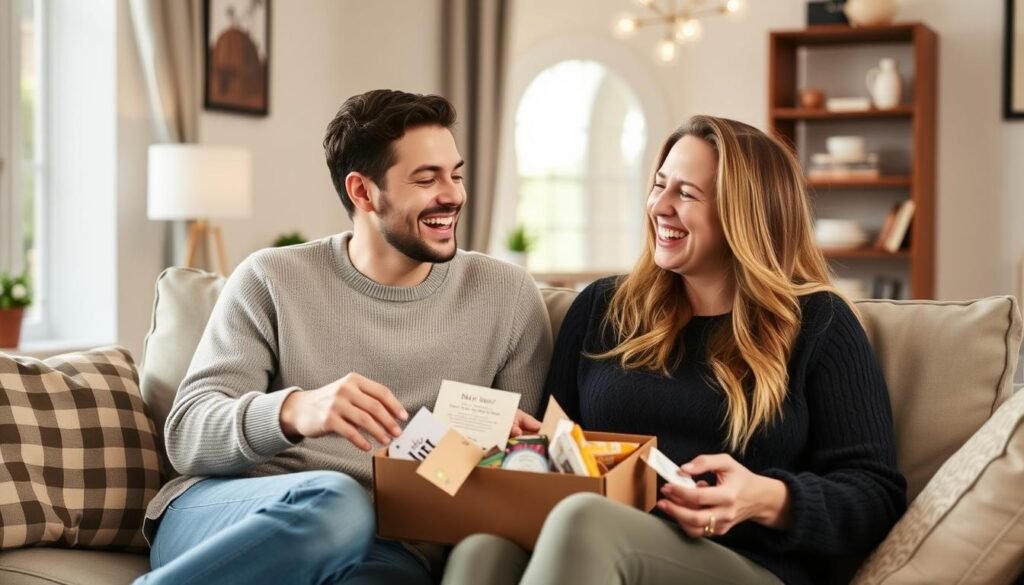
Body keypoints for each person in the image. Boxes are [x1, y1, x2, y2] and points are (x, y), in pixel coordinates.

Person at [442, 115, 906, 585]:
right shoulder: (603, 309)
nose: (659, 206)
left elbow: (875, 496)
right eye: (660, 185)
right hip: (600, 549)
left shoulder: (818, 323)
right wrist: (522, 447)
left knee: (586, 520)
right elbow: (559, 451)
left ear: (745, 215)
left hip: (748, 563)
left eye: (685, 194)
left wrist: (764, 498)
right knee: (485, 548)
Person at [135, 89, 552, 585]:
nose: (454, 195)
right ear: (363, 191)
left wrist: (489, 453)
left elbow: (503, 482)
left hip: (389, 545)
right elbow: (187, 435)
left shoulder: (506, 297)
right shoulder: (272, 278)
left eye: (456, 174)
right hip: (230, 515)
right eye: (427, 179)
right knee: (337, 503)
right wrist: (294, 411)